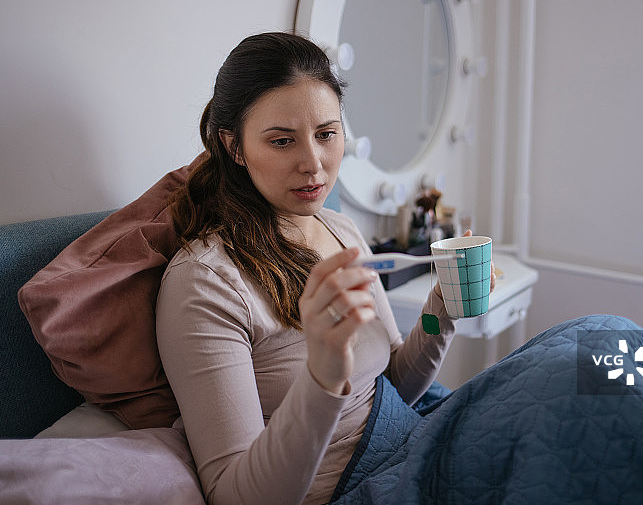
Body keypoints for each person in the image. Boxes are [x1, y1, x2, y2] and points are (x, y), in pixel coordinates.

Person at [155, 32, 491, 505]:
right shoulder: (206, 283)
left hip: (405, 442)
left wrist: (444, 308)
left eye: (326, 134)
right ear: (234, 147)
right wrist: (324, 375)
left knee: (583, 352)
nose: (313, 163)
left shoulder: (340, 231)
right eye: (281, 141)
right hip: (353, 487)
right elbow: (234, 496)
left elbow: (394, 385)